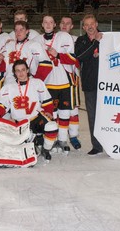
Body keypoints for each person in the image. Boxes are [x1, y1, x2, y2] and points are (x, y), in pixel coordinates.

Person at [0, 60, 58, 161]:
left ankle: (45, 149)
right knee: (23, 147)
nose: (21, 73)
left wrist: (49, 112)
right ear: (14, 73)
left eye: (23, 70)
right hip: (19, 123)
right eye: (18, 71)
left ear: (27, 70)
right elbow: (2, 105)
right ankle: (33, 139)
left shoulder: (37, 83)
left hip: (36, 118)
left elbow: (47, 100)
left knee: (52, 126)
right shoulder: (8, 87)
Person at [33, 15, 78, 153]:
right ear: (42, 24)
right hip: (47, 84)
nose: (48, 24)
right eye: (45, 22)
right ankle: (50, 140)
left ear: (54, 25)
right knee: (50, 114)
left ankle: (63, 140)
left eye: (50, 22)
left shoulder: (64, 37)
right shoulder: (36, 40)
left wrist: (57, 54)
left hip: (64, 82)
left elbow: (74, 59)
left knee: (64, 113)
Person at [74, 14, 103, 155]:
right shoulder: (81, 40)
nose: (90, 26)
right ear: (84, 27)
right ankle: (97, 146)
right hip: (90, 83)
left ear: (96, 24)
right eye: (87, 24)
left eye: (92, 23)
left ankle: (111, 143)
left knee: (108, 115)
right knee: (93, 115)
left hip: (109, 85)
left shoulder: (108, 38)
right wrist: (95, 44)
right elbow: (80, 57)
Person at [59, 16, 81, 150]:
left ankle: (73, 136)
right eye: (62, 23)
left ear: (72, 26)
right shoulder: (53, 38)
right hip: (54, 81)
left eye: (68, 24)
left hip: (71, 79)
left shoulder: (77, 41)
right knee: (57, 110)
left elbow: (76, 60)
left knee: (73, 110)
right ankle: (58, 137)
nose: (64, 25)